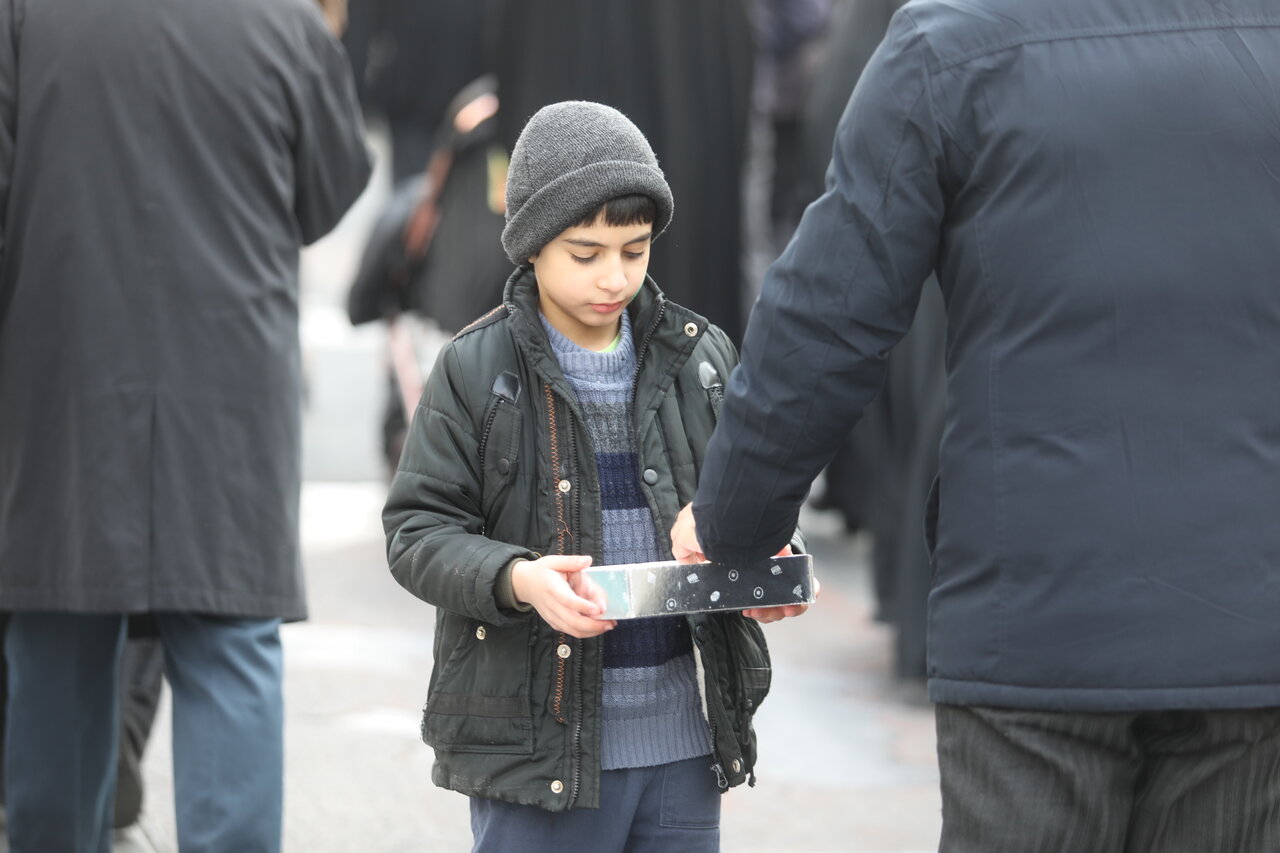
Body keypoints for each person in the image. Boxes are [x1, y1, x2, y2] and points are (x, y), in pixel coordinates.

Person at [673, 0, 1280, 850]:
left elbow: (830, 312)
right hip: (1251, 612)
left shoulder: (951, 43)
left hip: (1035, 609)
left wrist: (736, 525)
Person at [0, 0, 371, 850]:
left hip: (63, 371)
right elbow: (326, 191)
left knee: (58, 628)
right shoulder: (282, 20)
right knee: (231, 634)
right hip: (228, 381)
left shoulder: (26, 14)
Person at [383, 101, 796, 853]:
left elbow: (737, 503)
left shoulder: (701, 359)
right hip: (538, 753)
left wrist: (765, 563)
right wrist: (517, 577)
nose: (615, 276)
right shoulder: (475, 370)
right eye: (586, 252)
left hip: (683, 748)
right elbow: (416, 531)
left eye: (635, 251)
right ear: (531, 245)